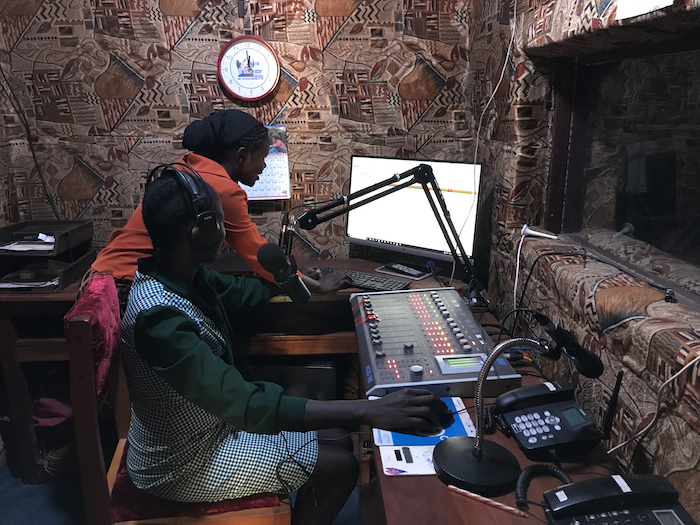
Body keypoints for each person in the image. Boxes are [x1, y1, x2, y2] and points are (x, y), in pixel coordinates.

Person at [121, 171, 451, 525]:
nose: (226, 232)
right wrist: (366, 410)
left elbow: (237, 293)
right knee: (341, 466)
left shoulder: (183, 274)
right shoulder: (159, 321)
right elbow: (244, 404)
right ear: (201, 234)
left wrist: (298, 284)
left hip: (209, 428)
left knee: (339, 440)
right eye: (220, 223)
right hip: (181, 463)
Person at [90, 109, 348, 307]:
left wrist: (298, 274)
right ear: (242, 155)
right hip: (126, 286)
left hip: (102, 277)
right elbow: (257, 255)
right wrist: (317, 286)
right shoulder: (222, 189)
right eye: (262, 158)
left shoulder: (190, 166)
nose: (264, 167)